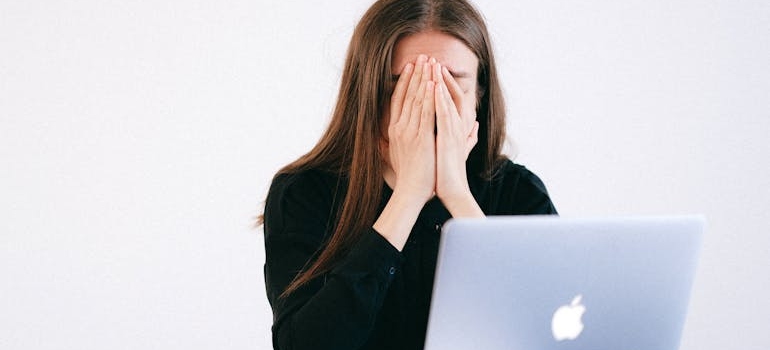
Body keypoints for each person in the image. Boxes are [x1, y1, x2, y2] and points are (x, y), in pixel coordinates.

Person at [260, 0, 557, 349]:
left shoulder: (518, 192)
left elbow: (546, 332)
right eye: (406, 85)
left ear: (479, 93)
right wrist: (408, 196)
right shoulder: (303, 192)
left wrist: (457, 194)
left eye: (452, 84)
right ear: (369, 93)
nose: (429, 103)